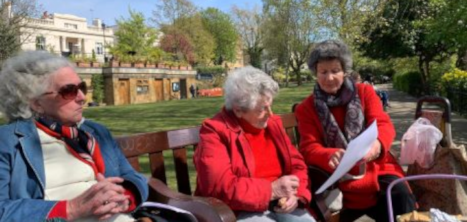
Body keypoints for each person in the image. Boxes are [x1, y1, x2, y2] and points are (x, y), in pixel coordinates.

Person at [0, 51, 148, 221]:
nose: (82, 97)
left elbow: (132, 176)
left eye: (82, 88)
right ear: (36, 103)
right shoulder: (7, 141)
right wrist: (71, 208)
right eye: (69, 91)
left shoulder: (96, 132)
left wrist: (125, 197)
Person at [294, 40, 416, 222]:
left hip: (376, 166)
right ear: (316, 73)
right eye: (323, 72)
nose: (329, 78)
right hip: (334, 175)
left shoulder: (365, 92)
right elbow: (309, 147)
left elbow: (383, 124)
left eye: (335, 71)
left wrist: (377, 145)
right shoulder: (306, 107)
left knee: (400, 194)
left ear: (344, 72)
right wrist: (327, 155)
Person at [194, 66, 316, 222]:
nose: (270, 114)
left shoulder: (273, 125)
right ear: (238, 110)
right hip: (238, 210)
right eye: (262, 109)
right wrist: (271, 190)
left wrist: (297, 194)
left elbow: (297, 165)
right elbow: (219, 186)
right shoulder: (215, 131)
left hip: (280, 203)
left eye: (270, 105)